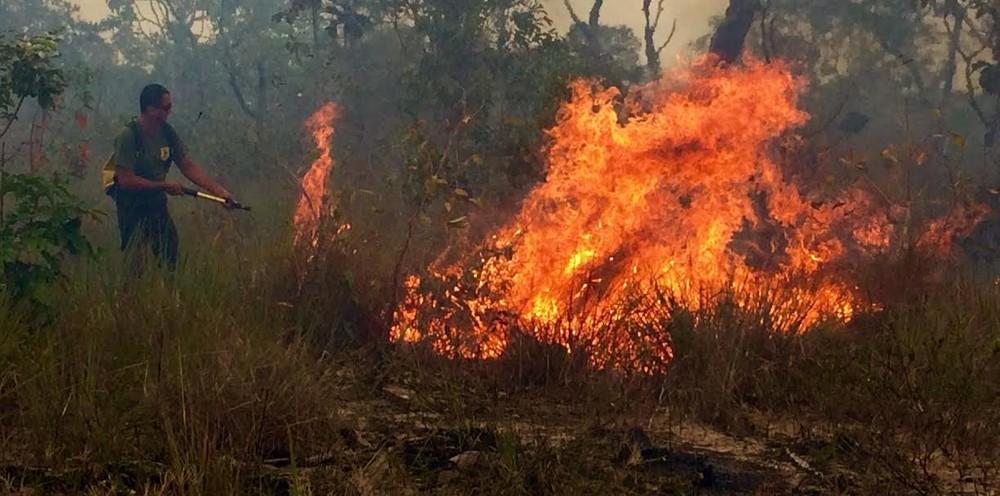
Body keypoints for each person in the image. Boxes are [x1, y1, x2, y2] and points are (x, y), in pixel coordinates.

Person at [111, 83, 233, 270]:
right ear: (150, 109)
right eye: (166, 108)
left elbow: (187, 166)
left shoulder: (167, 132)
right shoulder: (128, 136)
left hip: (157, 204)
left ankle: (168, 287)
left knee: (170, 256)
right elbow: (126, 181)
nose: (169, 112)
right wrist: (164, 186)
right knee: (135, 261)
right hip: (131, 207)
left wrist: (219, 191)